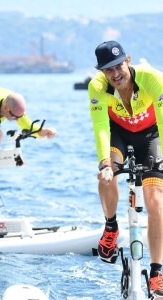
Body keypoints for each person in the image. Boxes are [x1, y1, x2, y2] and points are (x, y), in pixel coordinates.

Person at [88, 40, 163, 297]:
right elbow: (100, 126)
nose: (115, 73)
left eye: (119, 65)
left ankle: (156, 273)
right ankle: (110, 227)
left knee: (155, 202)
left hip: (151, 137)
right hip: (118, 135)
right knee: (106, 177)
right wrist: (105, 163)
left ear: (128, 60)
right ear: (101, 72)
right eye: (108, 70)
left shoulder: (152, 79)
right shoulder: (97, 87)